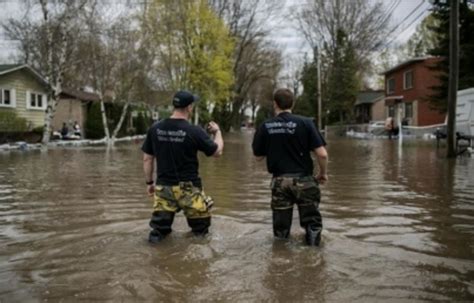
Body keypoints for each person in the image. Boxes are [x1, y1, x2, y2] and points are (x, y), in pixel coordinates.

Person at [142, 90, 224, 244]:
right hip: (190, 189)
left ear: (174, 106)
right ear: (190, 107)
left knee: (158, 233)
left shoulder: (155, 128)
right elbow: (217, 152)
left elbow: (147, 158)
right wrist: (217, 132)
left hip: (164, 187)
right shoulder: (194, 131)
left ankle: (155, 261)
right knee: (201, 233)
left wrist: (149, 183)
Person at [252, 88, 328, 246]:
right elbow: (322, 154)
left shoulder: (266, 125)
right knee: (312, 224)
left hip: (280, 182)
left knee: (281, 229)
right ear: (293, 103)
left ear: (275, 104)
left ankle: (280, 258)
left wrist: (275, 144)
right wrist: (322, 173)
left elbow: (258, 157)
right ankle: (313, 257)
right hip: (305, 181)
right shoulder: (306, 123)